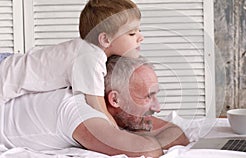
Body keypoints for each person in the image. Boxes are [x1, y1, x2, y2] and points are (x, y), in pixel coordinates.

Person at [0, 56, 189, 157]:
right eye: (148, 97)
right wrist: (132, 136)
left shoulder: (109, 106)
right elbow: (147, 151)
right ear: (115, 100)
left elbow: (176, 134)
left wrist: (131, 131)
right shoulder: (79, 111)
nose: (157, 107)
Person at [0, 0, 144, 127]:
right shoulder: (90, 58)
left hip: (9, 62)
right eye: (132, 34)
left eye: (139, 31)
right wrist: (117, 133)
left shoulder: (85, 50)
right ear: (105, 39)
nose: (141, 38)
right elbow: (97, 107)